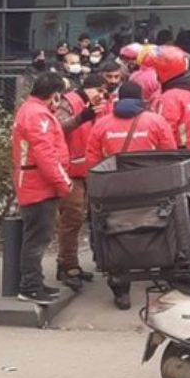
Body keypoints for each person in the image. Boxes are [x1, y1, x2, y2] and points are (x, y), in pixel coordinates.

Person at [86, 81, 178, 309]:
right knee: (157, 228)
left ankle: (121, 290)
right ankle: (164, 277)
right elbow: (170, 155)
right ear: (140, 99)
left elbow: (92, 160)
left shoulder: (102, 124)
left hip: (115, 192)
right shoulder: (156, 121)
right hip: (150, 190)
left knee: (117, 234)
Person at [10, 72, 73, 304]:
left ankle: (34, 283)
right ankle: (30, 287)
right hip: (39, 187)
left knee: (36, 238)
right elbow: (46, 155)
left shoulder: (33, 111)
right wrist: (63, 182)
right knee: (37, 239)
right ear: (54, 95)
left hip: (35, 183)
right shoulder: (38, 115)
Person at [53, 73, 107, 290]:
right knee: (72, 218)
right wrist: (82, 117)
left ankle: (67, 262)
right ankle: (68, 266)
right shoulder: (69, 103)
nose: (103, 95)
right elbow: (59, 127)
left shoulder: (92, 104)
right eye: (100, 91)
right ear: (89, 88)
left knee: (77, 218)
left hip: (85, 170)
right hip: (70, 171)